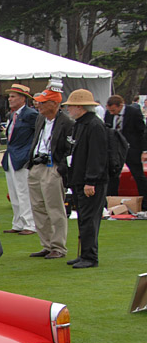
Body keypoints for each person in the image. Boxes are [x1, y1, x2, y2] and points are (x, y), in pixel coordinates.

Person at [62, 89, 109, 269]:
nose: (68, 110)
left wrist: (91, 180)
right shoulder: (81, 124)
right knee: (83, 218)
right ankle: (84, 253)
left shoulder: (94, 126)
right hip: (80, 179)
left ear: (80, 107)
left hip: (91, 181)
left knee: (89, 219)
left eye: (71, 106)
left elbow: (97, 156)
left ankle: (90, 256)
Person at [26, 87, 73, 260]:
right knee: (38, 207)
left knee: (54, 208)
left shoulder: (66, 123)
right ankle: (46, 244)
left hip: (52, 167)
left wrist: (61, 168)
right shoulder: (41, 120)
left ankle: (58, 246)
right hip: (37, 165)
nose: (39, 105)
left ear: (54, 103)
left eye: (43, 103)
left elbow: (70, 149)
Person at [1, 83, 38, 234]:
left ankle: (29, 224)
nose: (10, 99)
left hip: (22, 156)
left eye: (13, 96)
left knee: (23, 191)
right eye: (9, 96)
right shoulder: (12, 115)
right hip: (10, 155)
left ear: (23, 99)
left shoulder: (30, 115)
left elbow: (37, 135)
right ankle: (17, 222)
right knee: (14, 191)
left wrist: (28, 153)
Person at [103, 94, 146, 197]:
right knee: (113, 176)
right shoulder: (109, 114)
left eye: (113, 110)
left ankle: (144, 201)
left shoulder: (133, 112)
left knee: (138, 175)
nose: (112, 113)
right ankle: (111, 199)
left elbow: (142, 132)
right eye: (110, 111)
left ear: (120, 106)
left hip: (131, 149)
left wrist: (144, 150)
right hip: (114, 150)